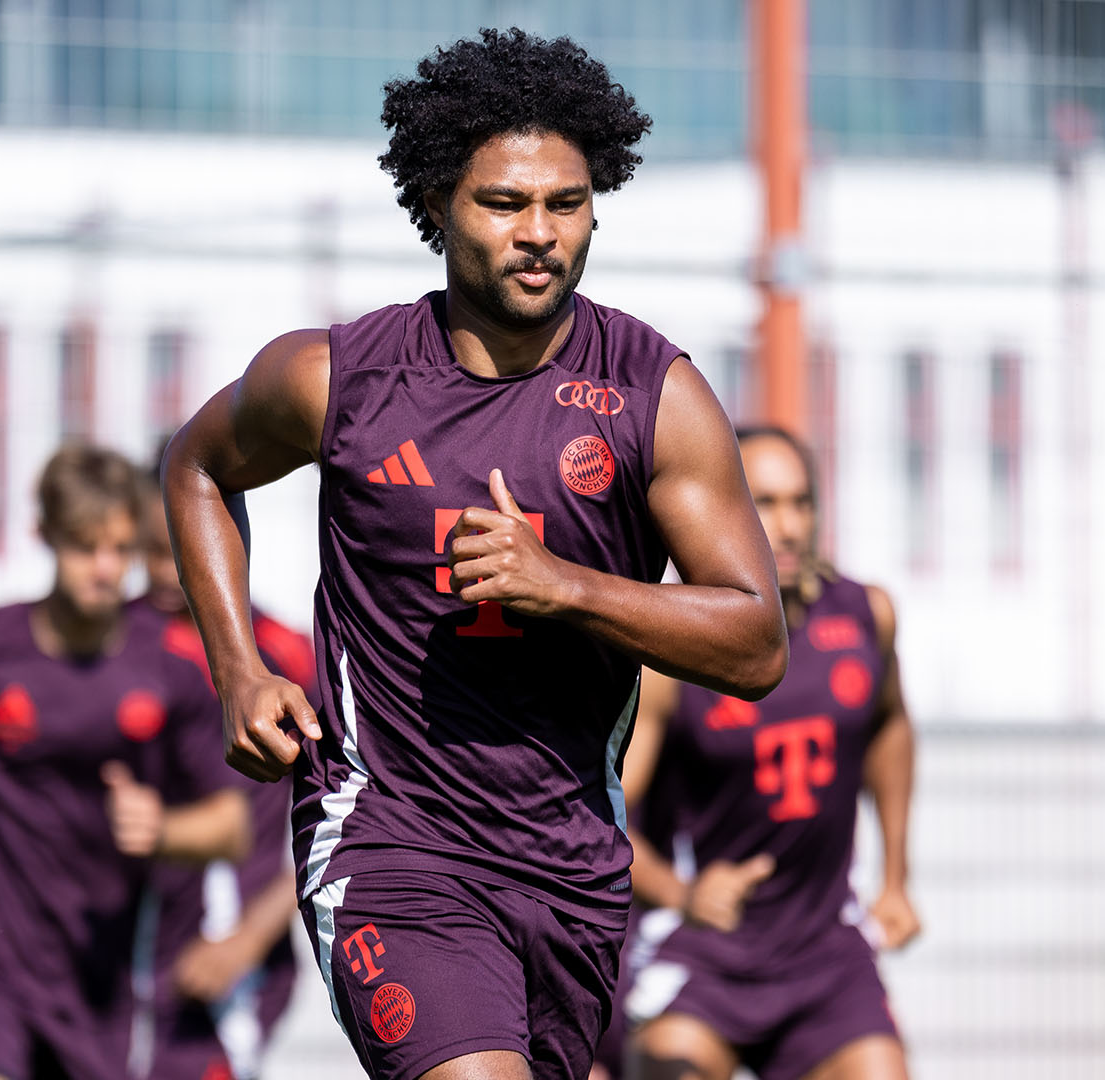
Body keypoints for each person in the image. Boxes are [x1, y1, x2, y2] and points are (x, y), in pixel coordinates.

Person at [162, 28, 787, 1080]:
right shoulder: (334, 379)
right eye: (503, 204)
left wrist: (567, 589)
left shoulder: (656, 396)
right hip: (387, 835)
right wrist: (236, 668)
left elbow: (756, 641)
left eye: (566, 202)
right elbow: (195, 469)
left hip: (572, 865)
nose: (538, 232)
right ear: (438, 204)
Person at [0, 446, 249, 1080]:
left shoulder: (171, 670)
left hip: (106, 981)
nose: (104, 568)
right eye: (84, 547)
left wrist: (163, 831)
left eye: (119, 550)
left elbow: (233, 827)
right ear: (44, 538)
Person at [616, 426, 917, 1080]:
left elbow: (891, 726)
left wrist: (895, 878)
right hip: (703, 954)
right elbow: (600, 815)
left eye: (800, 503)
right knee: (670, 1070)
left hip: (822, 953)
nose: (786, 526)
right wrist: (680, 892)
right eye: (764, 503)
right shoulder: (675, 647)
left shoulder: (867, 615)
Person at [138, 470, 311, 1080]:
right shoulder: (119, 645)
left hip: (232, 955)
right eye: (150, 552)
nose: (164, 572)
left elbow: (342, 811)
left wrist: (250, 935)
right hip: (125, 941)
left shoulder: (290, 658)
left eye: (176, 553)